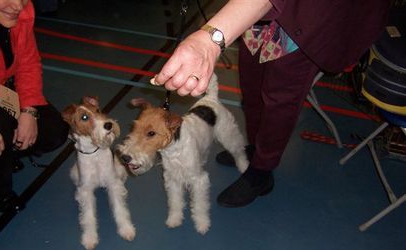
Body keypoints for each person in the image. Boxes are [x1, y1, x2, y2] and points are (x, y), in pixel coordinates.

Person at [152, 0, 391, 207]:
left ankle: (262, 171)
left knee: (280, 101)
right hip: (262, 15)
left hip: (307, 18)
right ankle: (256, 148)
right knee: (251, 83)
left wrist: (209, 40)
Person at [0, 0, 68, 212]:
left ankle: (8, 153)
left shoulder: (21, 10)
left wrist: (29, 110)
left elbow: (28, 62)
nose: (18, 5)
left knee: (53, 131)